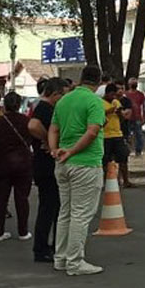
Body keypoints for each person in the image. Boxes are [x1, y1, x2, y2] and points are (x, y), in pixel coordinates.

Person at [49, 65, 106, 276]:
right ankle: (75, 262)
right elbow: (92, 133)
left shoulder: (64, 100)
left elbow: (53, 128)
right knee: (81, 214)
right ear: (98, 81)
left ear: (81, 79)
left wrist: (56, 150)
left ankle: (61, 258)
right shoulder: (94, 102)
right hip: (85, 162)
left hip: (62, 163)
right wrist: (72, 151)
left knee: (65, 212)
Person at [29, 78, 67, 262]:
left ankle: (52, 245)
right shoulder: (44, 107)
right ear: (55, 94)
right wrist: (49, 141)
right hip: (46, 163)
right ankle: (42, 248)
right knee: (49, 207)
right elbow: (33, 125)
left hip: (45, 162)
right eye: (62, 95)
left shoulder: (44, 107)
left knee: (54, 206)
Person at [0, 92, 33, 242]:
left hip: (1, 163)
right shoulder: (27, 121)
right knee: (22, 198)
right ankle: (23, 231)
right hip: (23, 164)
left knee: (0, 198)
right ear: (19, 105)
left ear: (4, 105)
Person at [102, 83, 133, 187]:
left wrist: (120, 113)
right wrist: (108, 111)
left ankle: (126, 181)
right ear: (107, 93)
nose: (113, 97)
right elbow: (98, 116)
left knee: (123, 157)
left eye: (114, 95)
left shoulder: (116, 102)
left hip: (117, 134)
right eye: (111, 95)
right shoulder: (99, 103)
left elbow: (123, 119)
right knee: (105, 160)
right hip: (105, 136)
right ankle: (106, 182)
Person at [125, 77, 145, 156]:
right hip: (127, 118)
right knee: (127, 134)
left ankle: (138, 151)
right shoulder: (126, 94)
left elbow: (144, 106)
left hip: (137, 118)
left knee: (139, 135)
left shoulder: (140, 94)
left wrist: (144, 117)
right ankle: (127, 150)